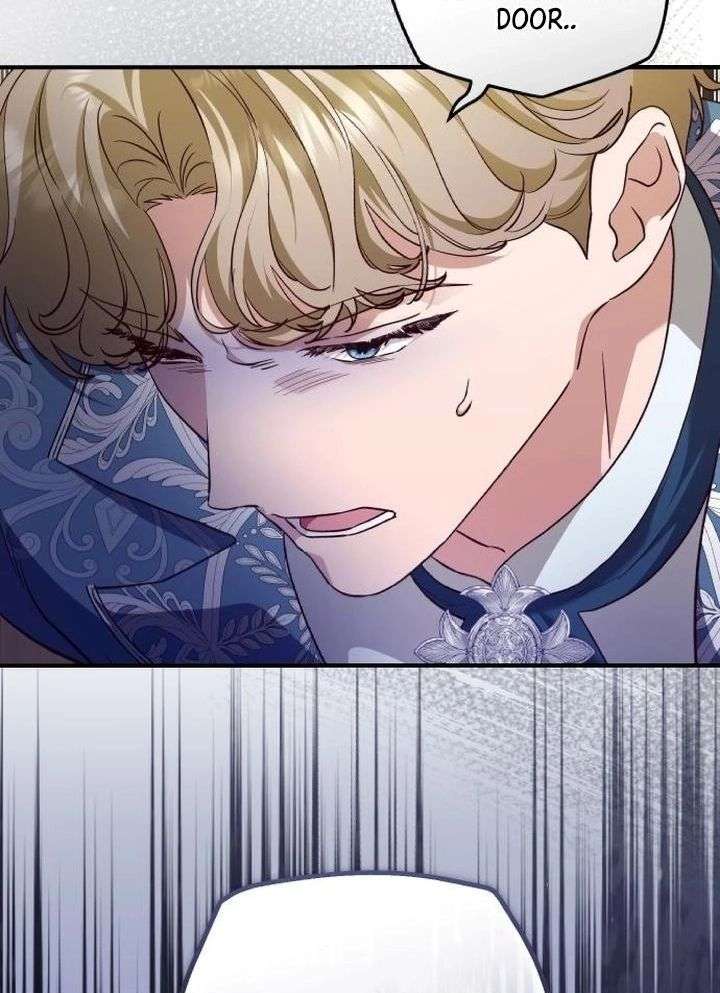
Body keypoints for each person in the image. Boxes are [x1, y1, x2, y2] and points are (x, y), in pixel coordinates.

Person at [0, 67, 716, 669]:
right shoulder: (39, 516)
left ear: (629, 204)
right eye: (169, 355)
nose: (242, 480)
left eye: (362, 346)